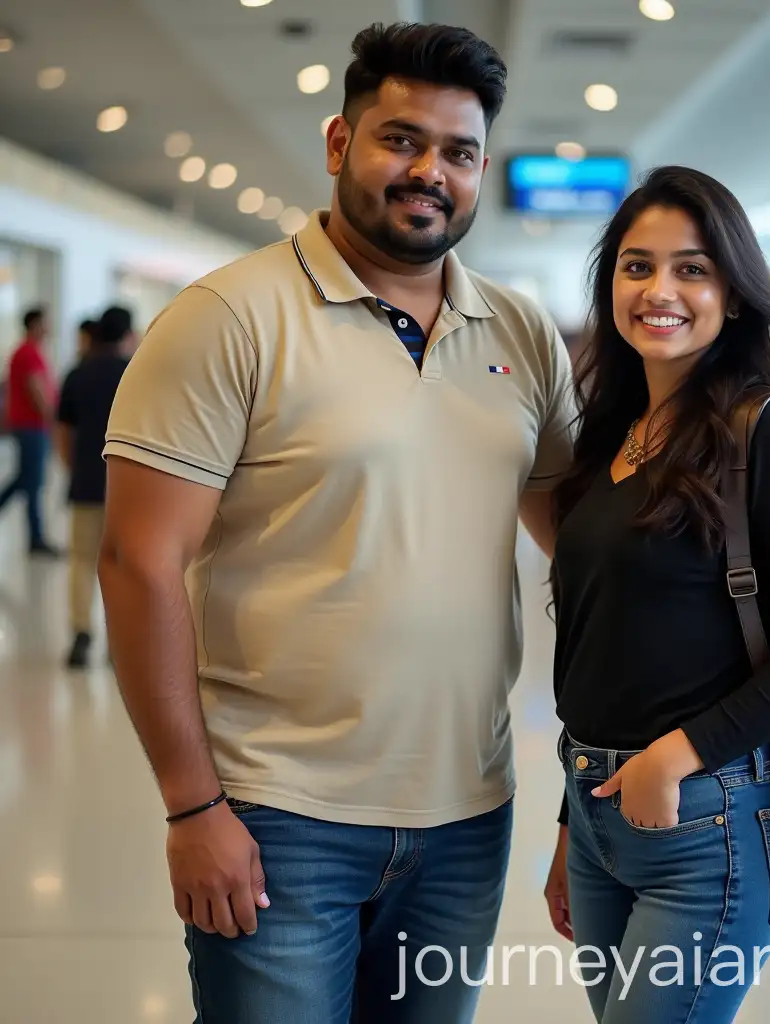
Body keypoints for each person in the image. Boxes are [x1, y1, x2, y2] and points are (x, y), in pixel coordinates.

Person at [99, 21, 574, 1024]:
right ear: (337, 143)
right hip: (279, 816)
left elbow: (585, 552)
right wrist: (192, 805)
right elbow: (139, 562)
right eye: (401, 139)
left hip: (470, 814)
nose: (428, 172)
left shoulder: (523, 333)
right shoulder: (228, 317)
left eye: (458, 152)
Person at [542, 167, 770, 1024]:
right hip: (598, 807)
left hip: (710, 820)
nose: (660, 291)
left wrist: (679, 754)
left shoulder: (764, 428)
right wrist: (572, 820)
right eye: (637, 266)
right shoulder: (613, 434)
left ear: (734, 289)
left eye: (692, 269)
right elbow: (603, 640)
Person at [55, 306, 135, 668]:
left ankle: (81, 632)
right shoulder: (134, 372)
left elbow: (62, 431)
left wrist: (75, 467)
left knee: (82, 560)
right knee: (123, 563)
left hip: (85, 485)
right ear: (126, 333)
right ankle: (117, 640)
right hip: (128, 491)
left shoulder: (77, 373)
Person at [0, 306, 60, 555]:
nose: (49, 326)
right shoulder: (28, 352)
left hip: (29, 426)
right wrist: (53, 422)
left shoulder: (27, 351)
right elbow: (37, 392)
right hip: (32, 426)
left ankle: (36, 537)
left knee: (27, 479)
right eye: (46, 321)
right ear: (35, 324)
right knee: (31, 481)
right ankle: (36, 539)